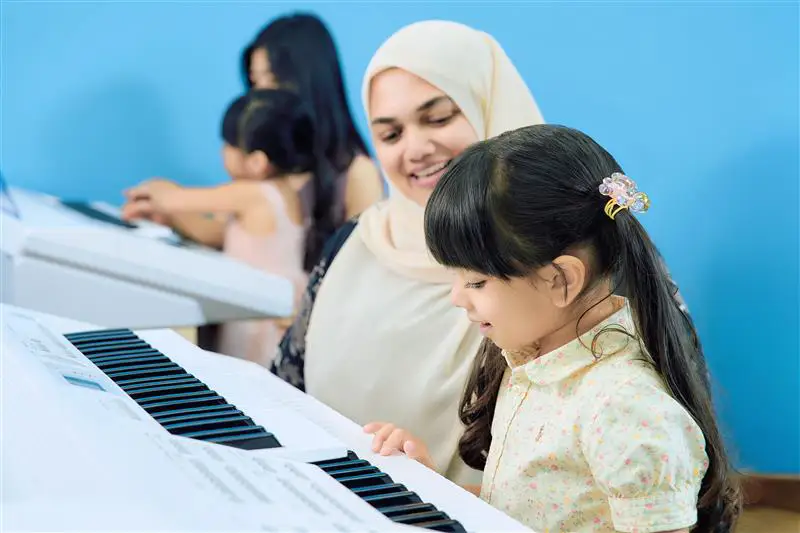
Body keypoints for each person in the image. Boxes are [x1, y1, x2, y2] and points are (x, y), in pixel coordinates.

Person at [365, 124, 742, 533]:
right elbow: (527, 508)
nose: (458, 297)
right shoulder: (534, 354)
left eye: (476, 282)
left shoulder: (626, 410)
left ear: (561, 280)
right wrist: (431, 489)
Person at [270, 20, 545, 485]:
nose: (416, 148)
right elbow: (283, 391)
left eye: (438, 118)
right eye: (391, 135)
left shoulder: (565, 258)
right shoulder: (353, 244)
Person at [123, 89, 315, 365]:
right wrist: (170, 218)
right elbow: (215, 231)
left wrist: (152, 190)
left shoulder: (253, 194)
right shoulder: (288, 192)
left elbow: (178, 200)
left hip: (259, 311)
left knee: (242, 373)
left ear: (257, 162)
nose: (221, 151)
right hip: (270, 302)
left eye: (228, 145)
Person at [242, 12, 384, 250]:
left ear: (308, 81)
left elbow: (363, 270)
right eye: (256, 84)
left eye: (272, 81)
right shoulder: (267, 162)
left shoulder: (357, 174)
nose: (260, 98)